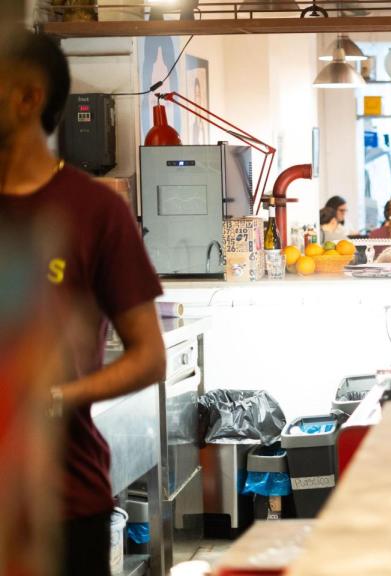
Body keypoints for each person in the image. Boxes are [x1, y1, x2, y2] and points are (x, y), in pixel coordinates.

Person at [0, 27, 167, 575]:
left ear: (27, 97)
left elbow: (149, 355)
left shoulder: (93, 211)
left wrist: (57, 396)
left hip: (64, 499)